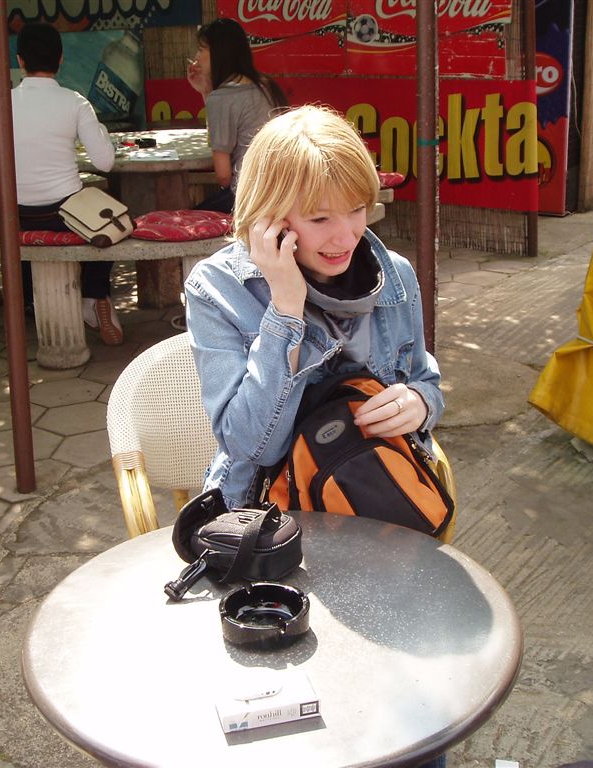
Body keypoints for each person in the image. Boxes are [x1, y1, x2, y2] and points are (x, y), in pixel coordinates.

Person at [184, 105, 445, 510]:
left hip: (374, 498)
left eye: (357, 209)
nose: (346, 237)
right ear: (267, 217)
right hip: (265, 514)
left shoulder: (394, 275)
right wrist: (286, 308)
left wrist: (419, 403)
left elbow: (424, 380)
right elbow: (253, 447)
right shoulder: (218, 289)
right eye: (320, 218)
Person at [0, 23, 122, 344]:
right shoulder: (75, 102)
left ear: (20, 61)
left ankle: (31, 303)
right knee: (114, 219)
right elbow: (105, 162)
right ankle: (94, 296)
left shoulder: (2, 104)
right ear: (60, 59)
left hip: (17, 216)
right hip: (67, 217)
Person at [186, 18, 287, 214]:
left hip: (250, 199)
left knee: (188, 216)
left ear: (219, 53)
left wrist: (209, 95)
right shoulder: (267, 85)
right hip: (283, 191)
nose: (196, 57)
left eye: (201, 49)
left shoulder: (221, 98)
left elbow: (224, 176)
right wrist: (206, 92)